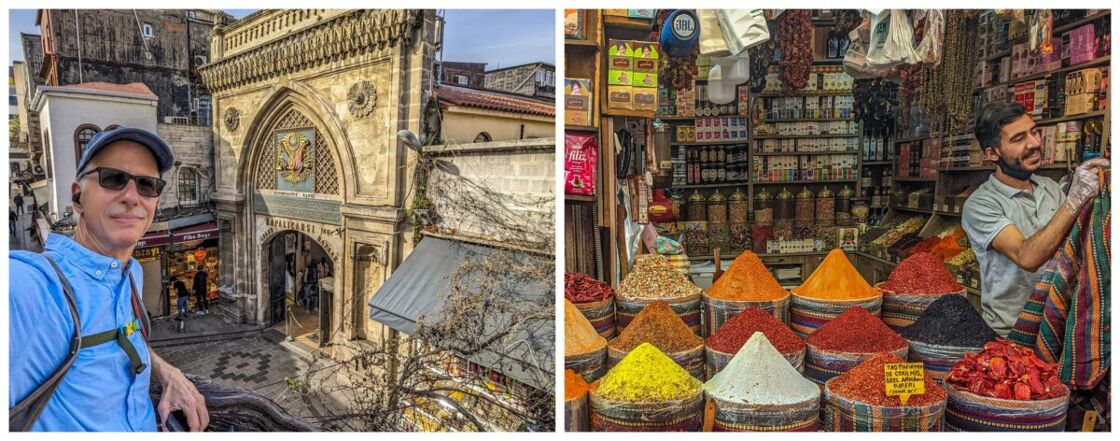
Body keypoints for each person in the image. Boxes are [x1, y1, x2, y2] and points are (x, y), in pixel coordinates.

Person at [9, 127, 209, 431]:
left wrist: (166, 372)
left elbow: (119, 336)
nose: (131, 197)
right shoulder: (33, 288)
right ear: (78, 197)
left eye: (147, 184)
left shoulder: (131, 276)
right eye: (112, 179)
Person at [962, 101, 1109, 337]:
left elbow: (1074, 243)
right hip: (1011, 331)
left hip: (1061, 325)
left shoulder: (1050, 188)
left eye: (1034, 131)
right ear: (992, 153)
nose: (1034, 143)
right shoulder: (981, 204)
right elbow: (1027, 256)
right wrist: (1074, 199)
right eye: (1018, 139)